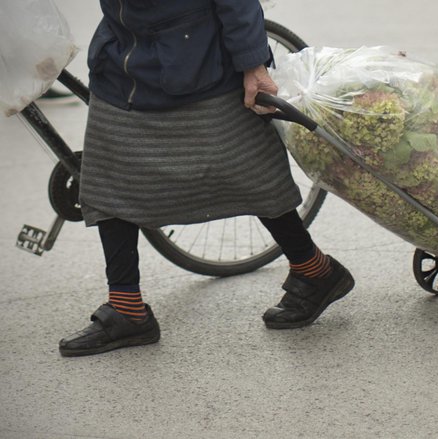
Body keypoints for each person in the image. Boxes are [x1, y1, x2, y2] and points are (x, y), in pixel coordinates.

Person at [58, 0, 354, 357]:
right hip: (121, 62)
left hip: (197, 63)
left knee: (249, 174)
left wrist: (253, 64)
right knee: (111, 179)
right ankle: (126, 307)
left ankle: (314, 269)